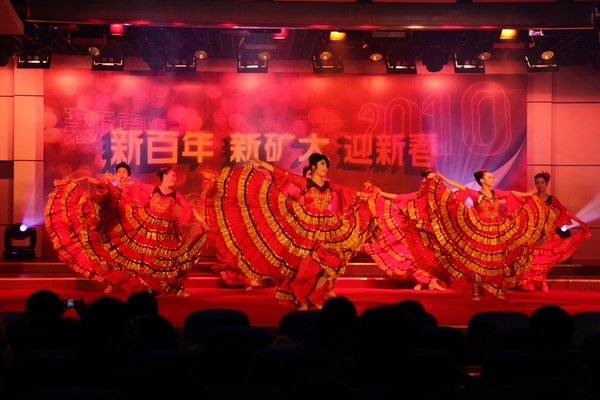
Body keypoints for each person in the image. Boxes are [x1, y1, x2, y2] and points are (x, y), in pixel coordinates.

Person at [201, 153, 380, 310]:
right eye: (322, 164)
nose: (325, 168)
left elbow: (344, 189)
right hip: (306, 227)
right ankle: (302, 300)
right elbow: (285, 175)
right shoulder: (305, 182)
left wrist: (361, 195)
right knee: (304, 266)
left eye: (326, 165)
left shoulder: (329, 185)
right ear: (313, 166)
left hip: (327, 227)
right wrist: (263, 164)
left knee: (330, 261)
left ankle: (316, 295)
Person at [45, 164, 207, 297]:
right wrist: (96, 178)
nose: (175, 178)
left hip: (167, 231)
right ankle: (137, 285)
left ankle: (165, 287)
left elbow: (188, 207)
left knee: (166, 259)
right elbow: (131, 184)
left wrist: (201, 220)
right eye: (173, 175)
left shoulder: (175, 194)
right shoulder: (152, 189)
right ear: (165, 176)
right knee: (140, 256)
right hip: (149, 226)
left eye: (175, 176)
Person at [406, 169, 554, 300]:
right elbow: (460, 187)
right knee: (477, 262)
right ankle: (475, 291)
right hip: (479, 230)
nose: (492, 179)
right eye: (489, 177)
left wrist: (527, 194)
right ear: (482, 180)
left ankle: (499, 289)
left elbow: (511, 193)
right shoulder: (476, 194)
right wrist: (444, 179)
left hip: (498, 230)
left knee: (500, 261)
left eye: (492, 177)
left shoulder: (496, 193)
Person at [363, 170, 445, 291]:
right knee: (419, 255)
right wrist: (382, 193)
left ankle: (432, 281)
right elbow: (401, 198)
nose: (433, 182)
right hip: (420, 229)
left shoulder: (440, 196)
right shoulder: (419, 195)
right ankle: (421, 282)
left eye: (435, 180)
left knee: (436, 256)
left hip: (434, 229)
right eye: (430, 180)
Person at [518, 172, 591, 292]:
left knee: (544, 259)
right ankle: (531, 282)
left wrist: (581, 222)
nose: (540, 185)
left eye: (542, 182)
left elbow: (565, 211)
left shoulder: (551, 199)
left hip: (548, 233)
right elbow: (523, 212)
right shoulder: (532, 198)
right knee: (533, 259)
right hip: (535, 233)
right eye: (537, 183)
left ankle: (543, 281)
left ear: (547, 183)